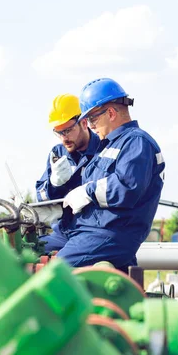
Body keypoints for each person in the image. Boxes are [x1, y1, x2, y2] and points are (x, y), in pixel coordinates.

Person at [56, 78, 165, 273]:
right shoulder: (108, 145)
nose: (90, 126)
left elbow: (127, 187)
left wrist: (87, 191)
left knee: (55, 272)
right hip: (89, 230)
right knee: (31, 251)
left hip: (111, 234)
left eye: (92, 119)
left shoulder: (136, 142)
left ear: (111, 113)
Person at [35, 93, 100, 253]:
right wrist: (54, 183)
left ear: (84, 123)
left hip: (92, 231)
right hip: (63, 232)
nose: (64, 138)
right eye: (59, 132)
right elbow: (42, 198)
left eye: (68, 130)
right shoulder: (57, 153)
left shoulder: (102, 149)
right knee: (30, 254)